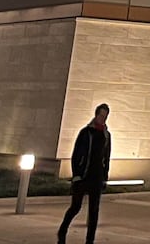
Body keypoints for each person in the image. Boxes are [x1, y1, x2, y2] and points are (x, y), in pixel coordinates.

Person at [58, 103, 112, 244]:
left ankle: (90, 241)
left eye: (105, 116)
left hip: (97, 176)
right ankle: (62, 231)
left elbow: (107, 157)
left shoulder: (106, 135)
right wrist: (76, 174)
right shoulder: (86, 132)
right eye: (101, 115)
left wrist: (105, 177)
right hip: (83, 175)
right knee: (75, 207)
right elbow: (76, 154)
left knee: (94, 211)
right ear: (96, 115)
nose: (102, 118)